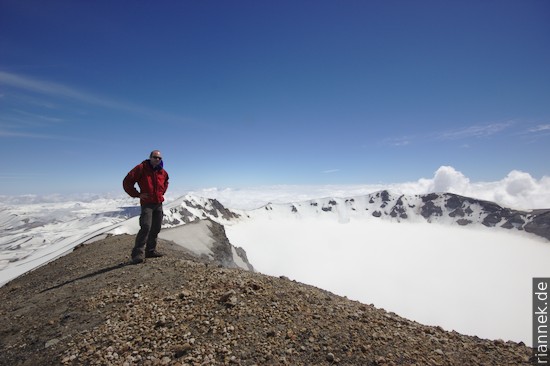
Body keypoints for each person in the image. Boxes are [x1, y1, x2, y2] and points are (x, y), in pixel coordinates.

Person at [123, 150, 169, 264]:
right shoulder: (141, 168)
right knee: (146, 227)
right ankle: (137, 254)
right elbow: (127, 182)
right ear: (150, 157)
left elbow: (166, 181)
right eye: (155, 157)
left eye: (159, 158)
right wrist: (137, 194)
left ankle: (150, 251)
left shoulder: (162, 172)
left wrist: (161, 192)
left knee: (156, 227)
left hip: (158, 203)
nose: (157, 159)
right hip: (147, 203)